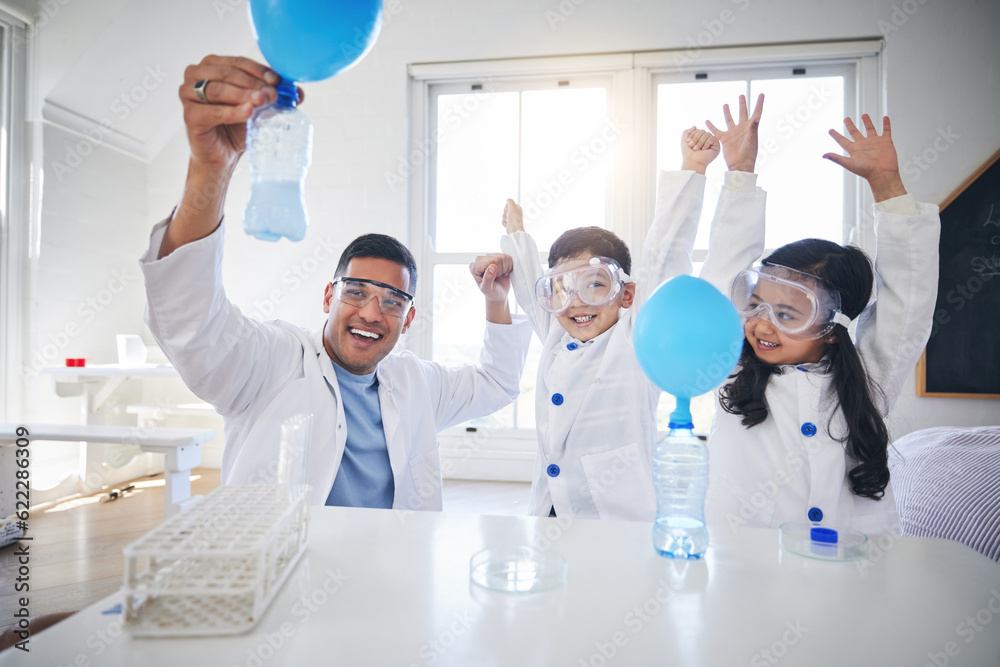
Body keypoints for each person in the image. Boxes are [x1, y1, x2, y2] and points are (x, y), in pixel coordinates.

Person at [141, 55, 531, 510]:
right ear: (329, 295)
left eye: (392, 301)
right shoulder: (273, 364)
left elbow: (497, 384)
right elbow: (193, 324)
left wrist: (497, 299)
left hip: (392, 571)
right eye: (357, 292)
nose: (370, 313)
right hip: (289, 571)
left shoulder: (416, 383)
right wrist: (210, 170)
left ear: (408, 320)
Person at [496, 123, 766, 521]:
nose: (576, 302)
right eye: (562, 288)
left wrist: (693, 167)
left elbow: (666, 251)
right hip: (548, 511)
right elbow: (525, 285)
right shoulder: (556, 330)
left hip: (620, 518)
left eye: (594, 285)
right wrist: (516, 234)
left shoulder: (636, 338)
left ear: (626, 294)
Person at [700, 106, 941, 535]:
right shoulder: (732, 368)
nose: (762, 324)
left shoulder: (868, 378)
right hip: (744, 571)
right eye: (755, 304)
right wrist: (740, 173)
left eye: (789, 313)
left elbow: (908, 303)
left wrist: (887, 185)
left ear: (833, 326)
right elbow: (725, 269)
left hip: (848, 574)